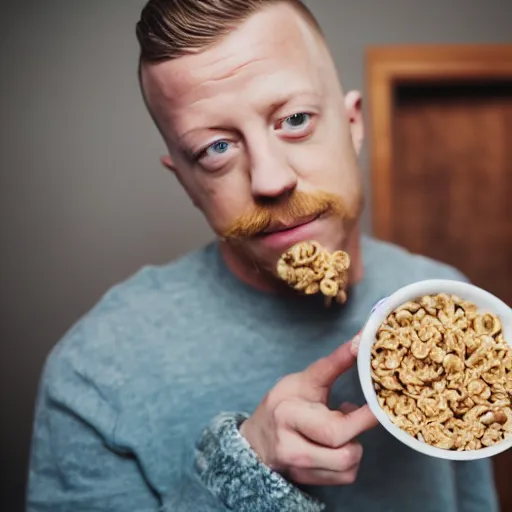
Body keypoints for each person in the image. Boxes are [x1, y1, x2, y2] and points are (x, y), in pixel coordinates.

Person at [26, 1, 499, 511]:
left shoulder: (453, 308)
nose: (270, 180)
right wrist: (245, 473)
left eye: (294, 119)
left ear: (353, 122)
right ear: (185, 181)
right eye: (216, 149)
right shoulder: (95, 372)